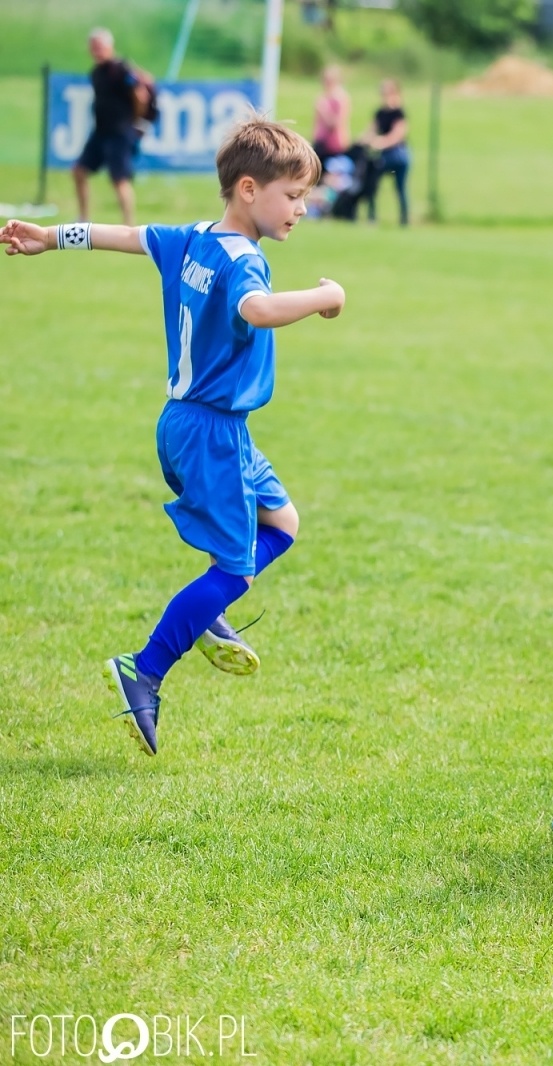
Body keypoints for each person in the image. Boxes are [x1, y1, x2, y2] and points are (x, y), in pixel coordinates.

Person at [1, 119, 344, 756]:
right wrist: (327, 295)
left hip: (194, 425)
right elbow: (258, 309)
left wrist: (51, 237)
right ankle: (146, 667)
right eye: (293, 195)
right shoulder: (243, 258)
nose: (302, 208)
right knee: (238, 565)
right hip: (211, 431)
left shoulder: (192, 238)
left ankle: (204, 611)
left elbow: (127, 235)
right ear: (248, 188)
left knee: (284, 523)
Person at [73, 28, 152, 227]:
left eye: (100, 46)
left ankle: (129, 225)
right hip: (100, 132)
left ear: (110, 47)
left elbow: (140, 95)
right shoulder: (96, 73)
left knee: (119, 179)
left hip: (119, 133)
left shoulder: (121, 69)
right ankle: (83, 218)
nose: (97, 51)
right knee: (79, 171)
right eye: (94, 47)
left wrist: (134, 119)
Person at [360, 80, 410, 226]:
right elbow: (371, 130)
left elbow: (397, 135)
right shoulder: (380, 112)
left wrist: (380, 142)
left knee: (400, 188)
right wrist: (363, 140)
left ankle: (404, 220)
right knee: (372, 184)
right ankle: (372, 216)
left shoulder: (399, 113)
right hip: (384, 156)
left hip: (397, 155)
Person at [311, 65, 351, 167]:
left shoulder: (339, 99)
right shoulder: (324, 96)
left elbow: (335, 124)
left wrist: (323, 110)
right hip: (321, 141)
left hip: (333, 144)